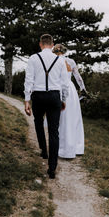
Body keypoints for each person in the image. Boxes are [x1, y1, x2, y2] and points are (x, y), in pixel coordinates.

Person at [24, 34, 69, 179]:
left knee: (38, 122)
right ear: (52, 44)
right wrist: (63, 99)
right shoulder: (60, 60)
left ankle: (43, 149)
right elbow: (64, 83)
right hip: (54, 96)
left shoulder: (33, 58)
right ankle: (52, 168)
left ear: (40, 44)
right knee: (54, 131)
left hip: (38, 96)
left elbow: (29, 80)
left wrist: (26, 100)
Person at [52, 44, 87, 158]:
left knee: (61, 119)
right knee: (74, 118)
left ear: (55, 51)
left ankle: (62, 149)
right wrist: (84, 90)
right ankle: (77, 147)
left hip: (58, 88)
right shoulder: (71, 61)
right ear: (64, 51)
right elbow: (78, 78)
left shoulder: (53, 61)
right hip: (71, 91)